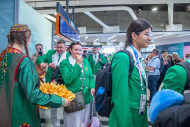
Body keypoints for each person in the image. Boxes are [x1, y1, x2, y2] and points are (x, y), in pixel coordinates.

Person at [0, 24, 70, 127]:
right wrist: (60, 100)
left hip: (5, 111)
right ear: (27, 39)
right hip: (22, 112)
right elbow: (34, 95)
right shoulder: (24, 61)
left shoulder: (5, 56)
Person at [109, 19, 152, 127]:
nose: (150, 38)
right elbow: (120, 97)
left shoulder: (138, 58)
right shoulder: (123, 57)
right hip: (127, 118)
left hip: (139, 113)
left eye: (150, 34)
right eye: (146, 34)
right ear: (134, 35)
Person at [60, 42, 95, 127]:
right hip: (73, 99)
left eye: (80, 50)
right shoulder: (64, 63)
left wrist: (92, 87)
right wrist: (77, 64)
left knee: (84, 121)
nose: (79, 52)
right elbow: (68, 79)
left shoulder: (85, 61)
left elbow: (90, 76)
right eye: (76, 49)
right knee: (73, 122)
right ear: (70, 50)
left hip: (86, 97)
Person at [36, 39, 70, 127]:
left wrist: (57, 67)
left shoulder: (69, 56)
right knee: (53, 105)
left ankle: (67, 123)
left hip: (64, 84)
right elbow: (40, 59)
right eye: (57, 47)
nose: (59, 49)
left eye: (61, 47)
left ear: (65, 47)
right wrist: (42, 63)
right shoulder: (51, 53)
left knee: (66, 104)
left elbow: (70, 69)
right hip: (51, 84)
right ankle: (55, 124)